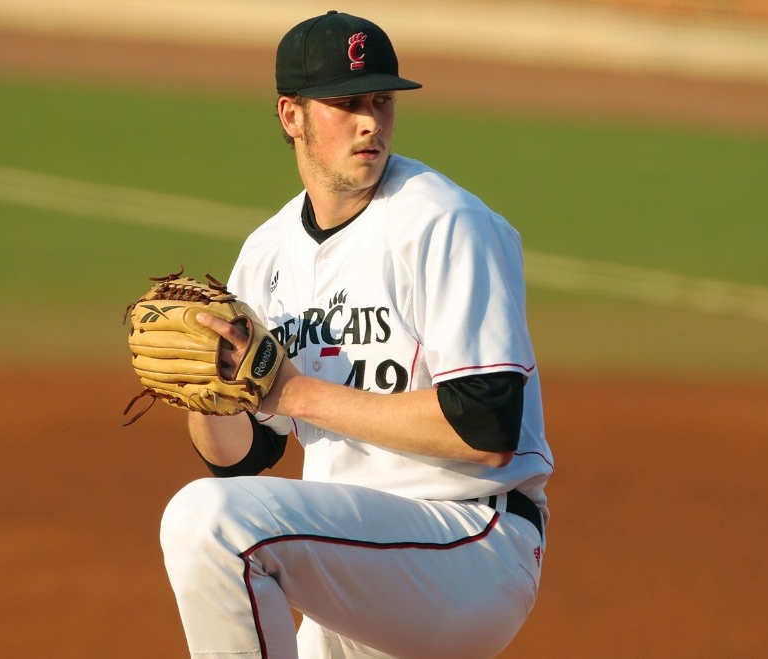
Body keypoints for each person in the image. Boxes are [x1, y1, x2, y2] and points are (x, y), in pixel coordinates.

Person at [158, 11, 555, 659]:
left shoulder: (445, 224)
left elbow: (486, 428)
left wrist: (295, 392)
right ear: (291, 115)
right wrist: (211, 398)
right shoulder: (267, 253)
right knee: (220, 508)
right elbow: (245, 456)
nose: (370, 119)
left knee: (207, 520)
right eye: (347, 102)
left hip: (469, 542)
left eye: (381, 100)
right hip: (357, 554)